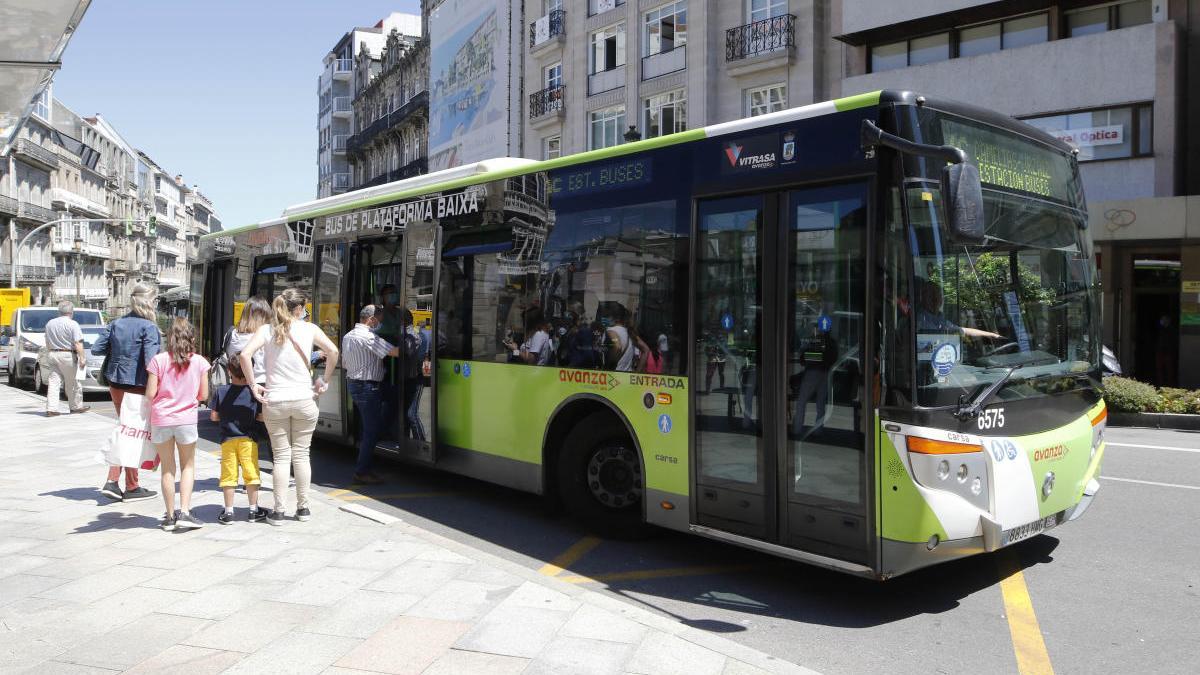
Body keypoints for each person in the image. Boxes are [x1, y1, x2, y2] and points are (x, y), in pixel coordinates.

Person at [238, 288, 339, 526]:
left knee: (281, 457)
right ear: (299, 308)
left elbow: (244, 355)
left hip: (275, 400)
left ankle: (279, 511)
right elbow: (333, 351)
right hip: (305, 399)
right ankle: (303, 509)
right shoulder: (310, 329)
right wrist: (325, 380)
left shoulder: (266, 330)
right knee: (302, 455)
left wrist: (253, 385)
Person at [91, 282, 160, 503]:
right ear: (149, 302)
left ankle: (131, 485)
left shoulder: (117, 322)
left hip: (116, 383)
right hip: (138, 386)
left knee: (128, 430)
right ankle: (114, 481)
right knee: (130, 433)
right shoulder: (148, 327)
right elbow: (152, 362)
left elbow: (96, 348)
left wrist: (120, 350)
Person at [146, 318, 210, 532]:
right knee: (188, 466)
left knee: (167, 468)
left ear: (169, 337)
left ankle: (170, 516)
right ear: (192, 337)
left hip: (162, 419)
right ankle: (184, 511)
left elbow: (150, 393)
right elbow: (204, 395)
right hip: (186, 420)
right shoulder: (200, 362)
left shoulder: (158, 360)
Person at [341, 304, 399, 484]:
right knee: (370, 430)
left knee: (394, 396)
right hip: (367, 387)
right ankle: (362, 471)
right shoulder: (368, 337)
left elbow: (344, 363)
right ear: (371, 319)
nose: (380, 323)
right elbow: (395, 352)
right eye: (380, 320)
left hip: (356, 384)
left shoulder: (348, 336)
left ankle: (385, 431)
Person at [210, 356, 266, 524]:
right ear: (251, 370)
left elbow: (213, 416)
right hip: (248, 440)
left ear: (229, 371)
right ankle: (253, 510)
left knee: (228, 475)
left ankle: (228, 513)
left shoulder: (221, 391)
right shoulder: (254, 392)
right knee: (251, 474)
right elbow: (261, 418)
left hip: (227, 440)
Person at [43, 301, 90, 417]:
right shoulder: (73, 324)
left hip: (53, 353)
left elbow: (47, 341)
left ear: (59, 312)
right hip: (67, 355)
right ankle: (75, 406)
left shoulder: (50, 323)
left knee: (54, 382)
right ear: (71, 312)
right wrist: (82, 358)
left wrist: (50, 351)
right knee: (73, 382)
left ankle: (51, 408)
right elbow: (77, 343)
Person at [916, 281, 1001, 340]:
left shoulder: (938, 318)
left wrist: (990, 335)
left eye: (938, 295)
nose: (935, 299)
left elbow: (961, 330)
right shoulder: (921, 320)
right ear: (922, 298)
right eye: (931, 296)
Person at [226, 296, 272, 385]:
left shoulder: (231, 334)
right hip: (261, 385)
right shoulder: (266, 335)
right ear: (265, 316)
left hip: (236, 385)